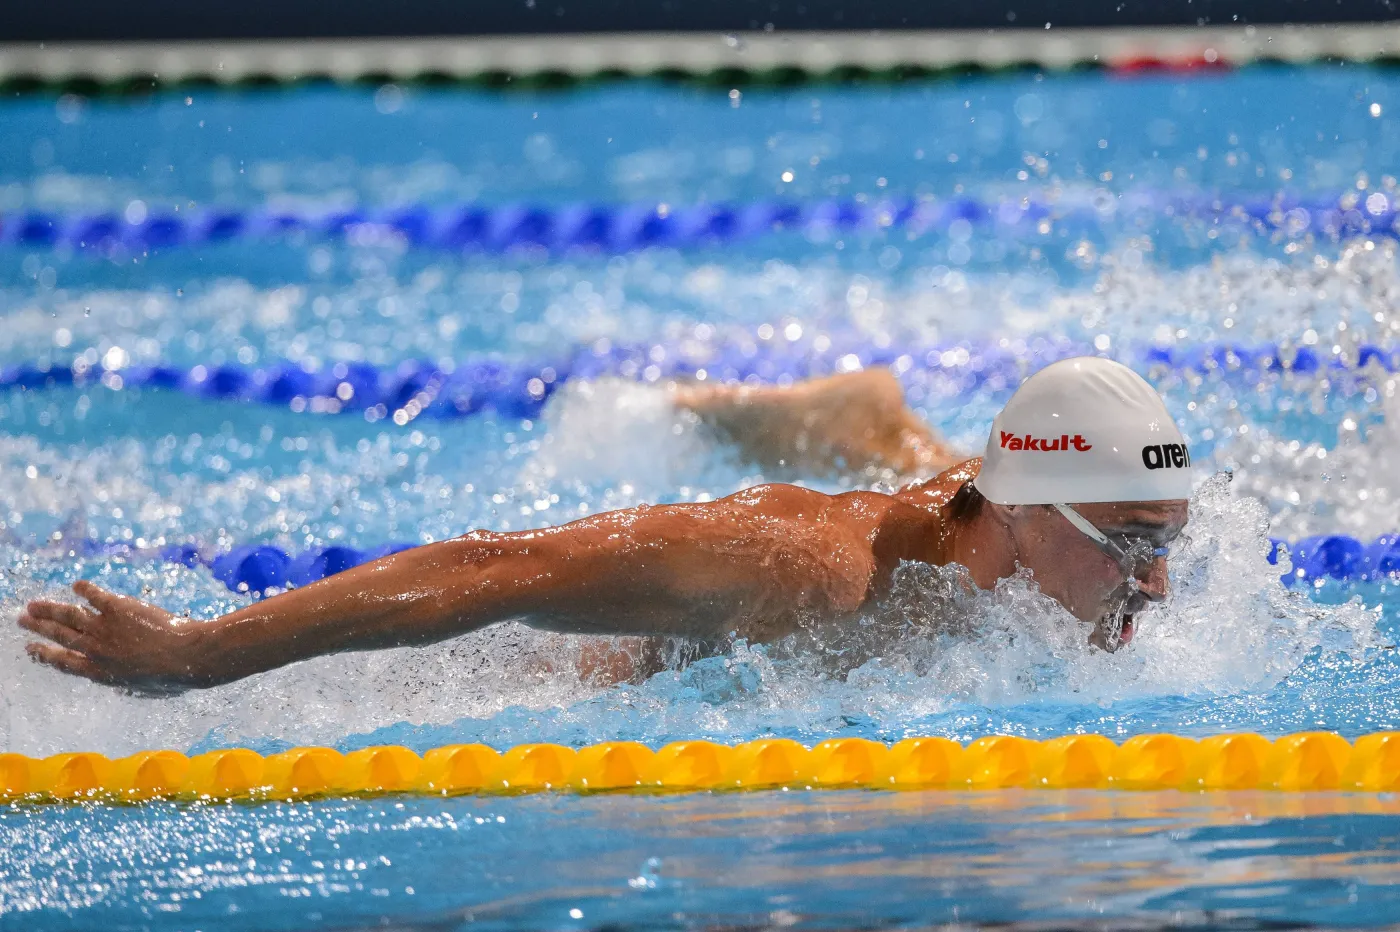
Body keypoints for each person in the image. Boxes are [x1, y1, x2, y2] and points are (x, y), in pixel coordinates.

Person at [18, 356, 1192, 695]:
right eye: (1132, 546)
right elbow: (499, 566)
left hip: (972, 504)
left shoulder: (1024, 532)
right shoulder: (803, 568)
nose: (1157, 588)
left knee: (946, 488)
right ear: (1033, 509)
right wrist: (199, 652)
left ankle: (860, 416)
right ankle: (859, 421)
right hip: (604, 665)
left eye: (1166, 543)